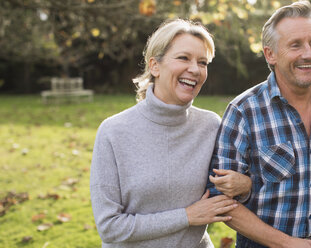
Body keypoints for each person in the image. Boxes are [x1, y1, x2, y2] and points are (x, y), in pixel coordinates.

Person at [207, 1, 311, 248]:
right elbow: (221, 197)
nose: (308, 54)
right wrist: (285, 243)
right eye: (295, 45)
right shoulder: (243, 111)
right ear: (270, 54)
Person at [90, 19, 252, 248]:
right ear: (154, 66)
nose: (195, 69)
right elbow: (109, 228)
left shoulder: (211, 125)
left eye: (202, 62)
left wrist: (246, 185)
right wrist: (186, 216)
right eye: (183, 58)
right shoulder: (113, 132)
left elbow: (227, 196)